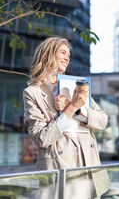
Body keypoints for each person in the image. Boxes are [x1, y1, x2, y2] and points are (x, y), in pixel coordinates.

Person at [23, 36, 110, 198]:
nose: (67, 57)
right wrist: (72, 108)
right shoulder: (33, 92)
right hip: (60, 167)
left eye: (68, 54)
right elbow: (42, 138)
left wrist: (77, 111)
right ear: (47, 55)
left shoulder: (76, 86)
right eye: (63, 52)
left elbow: (102, 121)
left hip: (89, 165)